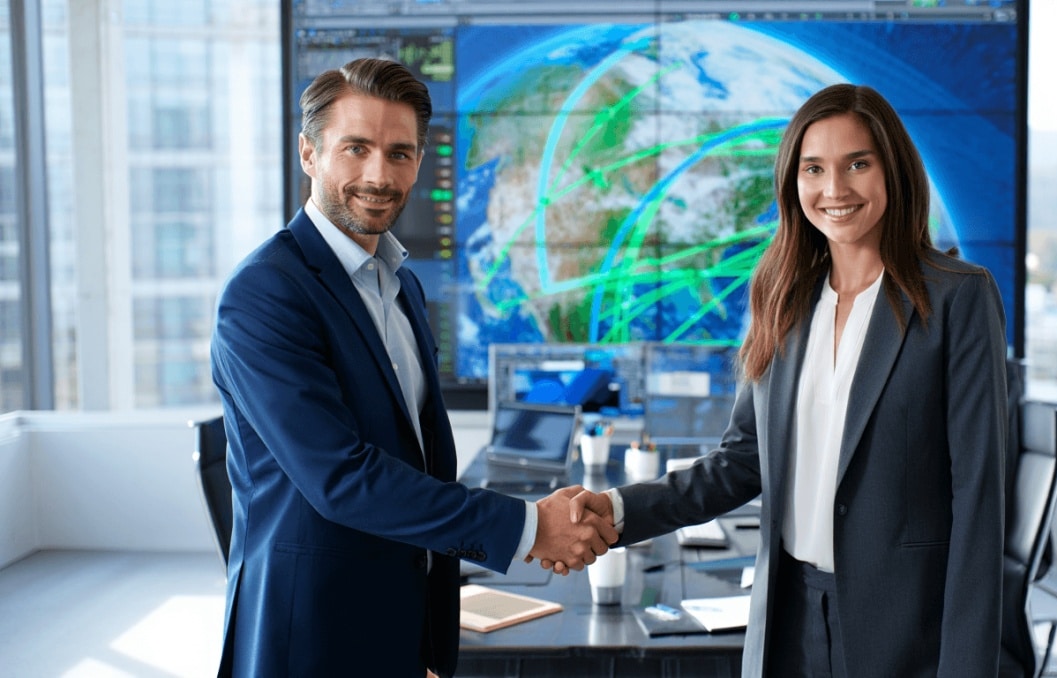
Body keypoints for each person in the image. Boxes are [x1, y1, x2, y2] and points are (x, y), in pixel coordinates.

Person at [560, 83, 1008, 677]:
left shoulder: (957, 297)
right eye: (814, 168)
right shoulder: (783, 296)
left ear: (893, 169)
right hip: (789, 622)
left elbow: (978, 502)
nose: (835, 190)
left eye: (858, 164)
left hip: (906, 633)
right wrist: (613, 510)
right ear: (792, 183)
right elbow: (742, 462)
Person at [210, 57, 615, 678]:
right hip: (312, 635)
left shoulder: (401, 287)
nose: (379, 174)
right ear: (308, 154)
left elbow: (416, 460)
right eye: (356, 148)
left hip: (403, 623)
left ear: (420, 163)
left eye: (400, 153)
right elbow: (342, 478)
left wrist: (423, 638)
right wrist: (531, 526)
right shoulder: (265, 293)